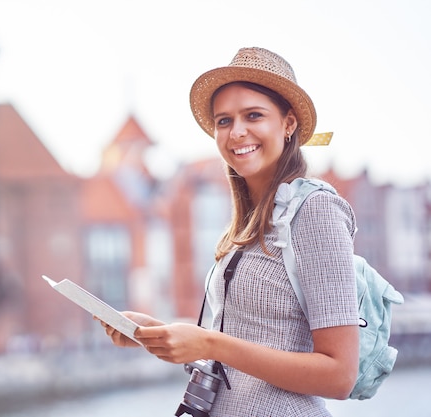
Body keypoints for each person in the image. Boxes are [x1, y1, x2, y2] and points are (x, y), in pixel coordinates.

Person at [99, 47, 359, 416]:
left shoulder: (315, 211)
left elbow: (340, 375)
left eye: (253, 115)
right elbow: (247, 338)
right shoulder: (251, 221)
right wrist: (159, 334)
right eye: (224, 121)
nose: (237, 132)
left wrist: (209, 343)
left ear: (288, 124)